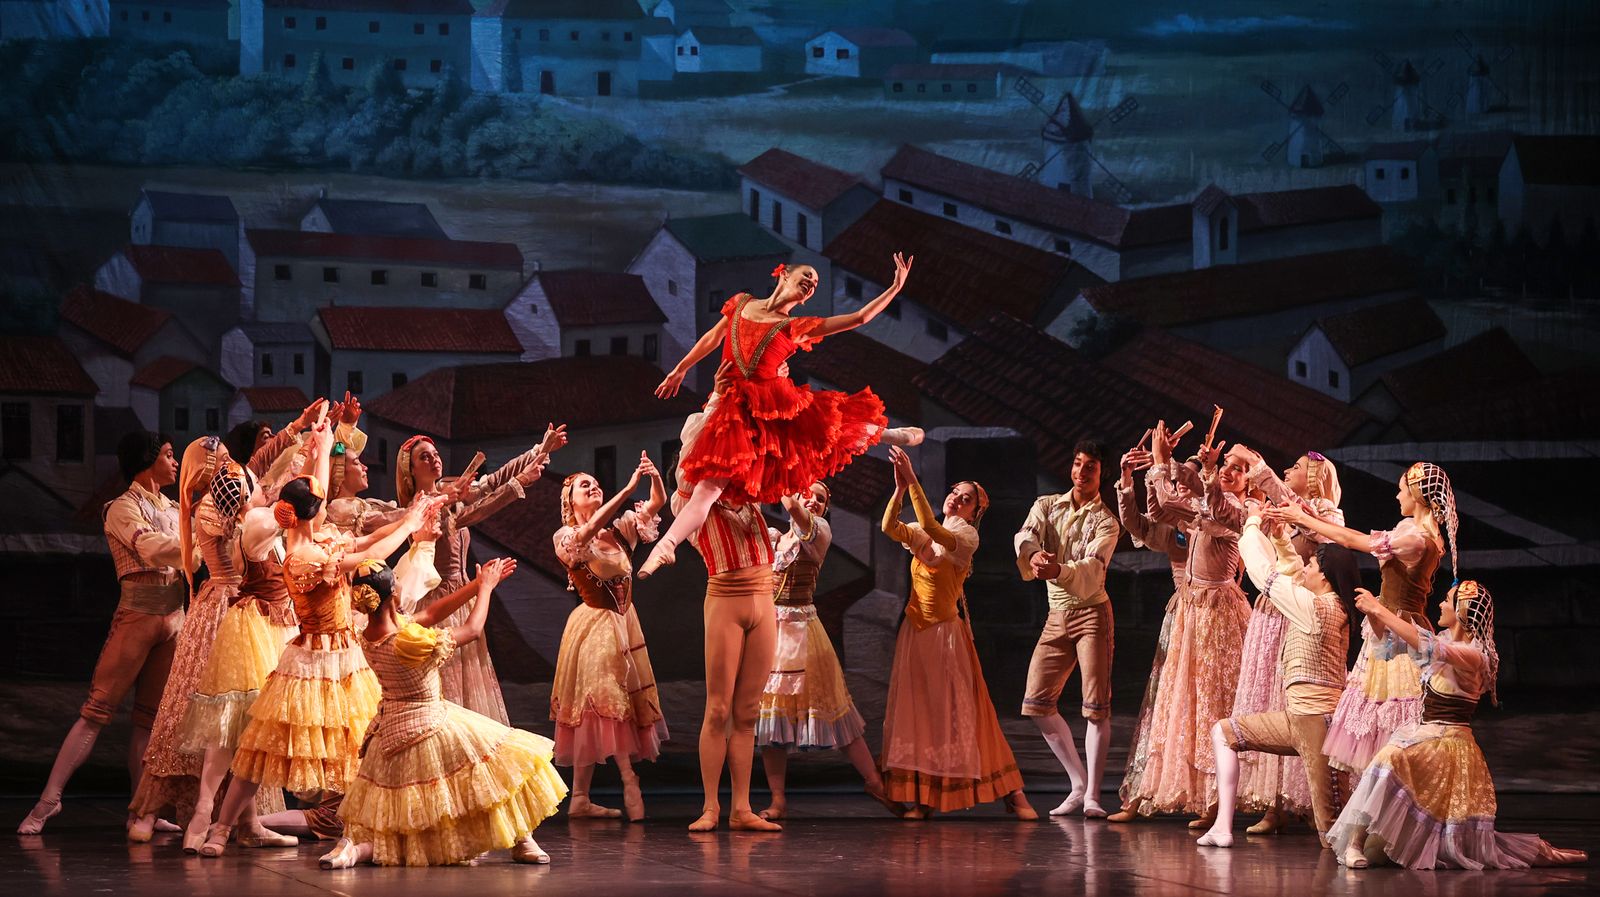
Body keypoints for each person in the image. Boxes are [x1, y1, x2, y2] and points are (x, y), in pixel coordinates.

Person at [198, 442, 443, 858]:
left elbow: (369, 539)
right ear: (311, 510)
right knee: (264, 749)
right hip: (311, 662)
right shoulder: (302, 557)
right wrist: (411, 524)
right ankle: (221, 828)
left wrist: (408, 518)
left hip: (344, 659)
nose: (327, 499)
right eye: (321, 496)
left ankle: (366, 826)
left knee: (360, 745)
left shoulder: (323, 538)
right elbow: (372, 555)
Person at [639, 258, 923, 579]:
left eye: (814, 285)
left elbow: (858, 317)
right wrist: (680, 369)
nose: (811, 283)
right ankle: (667, 545)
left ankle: (890, 434)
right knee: (709, 486)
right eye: (807, 276)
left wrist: (895, 287)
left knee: (828, 424)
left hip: (774, 401)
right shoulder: (742, 303)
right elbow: (713, 337)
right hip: (733, 406)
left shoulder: (794, 327)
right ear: (784, 273)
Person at [321, 558, 568, 867]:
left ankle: (352, 851)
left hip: (392, 729)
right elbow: (473, 629)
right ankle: (522, 838)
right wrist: (487, 589)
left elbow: (432, 612)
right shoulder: (406, 641)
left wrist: (475, 585)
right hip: (428, 722)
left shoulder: (371, 631)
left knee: (408, 825)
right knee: (501, 761)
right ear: (394, 593)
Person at [1329, 581, 1586, 870]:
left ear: (1462, 610)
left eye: (1448, 600)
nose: (1441, 604)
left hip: (1450, 744)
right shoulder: (1446, 641)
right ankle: (1354, 843)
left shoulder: (1475, 655)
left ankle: (1545, 854)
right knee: (1386, 762)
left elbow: (1430, 646)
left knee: (1388, 761)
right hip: (1428, 737)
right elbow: (1389, 647)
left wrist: (1379, 608)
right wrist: (1376, 616)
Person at [19, 432, 184, 836]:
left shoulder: (174, 507)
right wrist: (198, 549)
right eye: (167, 454)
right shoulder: (122, 508)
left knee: (149, 721)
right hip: (138, 616)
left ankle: (140, 809)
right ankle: (48, 801)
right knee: (96, 712)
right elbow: (152, 548)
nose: (175, 461)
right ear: (148, 459)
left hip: (174, 619)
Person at [128, 436, 289, 848]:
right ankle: (154, 811)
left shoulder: (223, 495)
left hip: (235, 606)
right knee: (206, 711)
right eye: (226, 462)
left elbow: (258, 464)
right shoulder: (219, 506)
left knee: (241, 716)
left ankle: (245, 820)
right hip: (229, 608)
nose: (234, 467)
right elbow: (252, 493)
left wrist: (297, 431)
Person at [1269, 461, 1456, 774]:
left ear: (1418, 496)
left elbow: (1354, 541)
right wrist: (1310, 518)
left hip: (1397, 634)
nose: (1397, 497)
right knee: (1376, 722)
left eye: (1401, 490)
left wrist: (1303, 518)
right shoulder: (1422, 534)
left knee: (1390, 720)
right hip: (1389, 626)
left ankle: (1394, 797)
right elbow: (1352, 535)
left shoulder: (1416, 539)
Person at [880, 446, 1035, 821]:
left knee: (957, 715)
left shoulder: (965, 537)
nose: (957, 500)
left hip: (945, 637)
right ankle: (923, 798)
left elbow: (933, 530)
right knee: (919, 715)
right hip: (916, 634)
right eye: (955, 493)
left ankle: (1012, 793)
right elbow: (890, 527)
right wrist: (900, 489)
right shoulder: (924, 530)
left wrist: (913, 480)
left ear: (973, 512)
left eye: (966, 500)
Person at [1109, 423, 1250, 827]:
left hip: (1217, 614)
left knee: (1212, 701)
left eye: (1239, 469)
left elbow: (1207, 506)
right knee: (1174, 704)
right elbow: (1157, 513)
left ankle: (1213, 800)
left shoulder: (1240, 513)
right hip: (1190, 611)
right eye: (1228, 465)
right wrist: (1157, 468)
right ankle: (1151, 790)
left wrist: (1165, 463)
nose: (1229, 470)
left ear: (1249, 480)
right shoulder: (1204, 508)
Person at [1197, 510, 1349, 849]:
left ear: (1323, 577)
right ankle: (1223, 828)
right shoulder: (1322, 600)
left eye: (1313, 566)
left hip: (1316, 724)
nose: (1305, 568)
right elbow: (1293, 573)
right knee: (1224, 732)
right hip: (1295, 720)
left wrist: (1251, 524)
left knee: (1333, 835)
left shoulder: (1315, 607)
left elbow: (1263, 573)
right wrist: (1280, 537)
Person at [395, 424, 566, 724]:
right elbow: (475, 513)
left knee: (469, 676)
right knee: (447, 679)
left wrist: (540, 450)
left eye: (435, 454)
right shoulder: (419, 508)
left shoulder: (449, 491)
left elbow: (493, 481)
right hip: (439, 600)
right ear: (409, 471)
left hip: (462, 593)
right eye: (424, 457)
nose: (434, 459)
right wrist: (519, 484)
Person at [756, 482, 901, 820]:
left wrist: (788, 482)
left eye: (821, 499)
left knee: (835, 709)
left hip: (803, 632)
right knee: (771, 721)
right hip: (773, 633)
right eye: (810, 494)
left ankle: (873, 782)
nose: (814, 501)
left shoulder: (819, 530)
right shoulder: (780, 539)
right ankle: (778, 800)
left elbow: (794, 508)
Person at [550, 455, 668, 822]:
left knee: (609, 706)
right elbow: (585, 535)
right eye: (585, 485)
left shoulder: (621, 530)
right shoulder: (566, 536)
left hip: (624, 623)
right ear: (571, 502)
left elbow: (657, 504)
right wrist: (626, 490)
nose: (594, 487)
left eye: (596, 483)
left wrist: (653, 478)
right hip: (593, 627)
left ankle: (580, 798)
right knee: (602, 699)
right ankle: (628, 780)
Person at [1013, 440, 1120, 818]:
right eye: (1077, 464)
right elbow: (1025, 534)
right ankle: (1077, 782)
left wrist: (1058, 569)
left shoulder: (1106, 521)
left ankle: (1093, 795)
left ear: (1101, 473)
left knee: (1095, 707)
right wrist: (1034, 554)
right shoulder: (1048, 505)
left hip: (1092, 613)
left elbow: (1093, 569)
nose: (1081, 471)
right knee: (1037, 701)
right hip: (1056, 614)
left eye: (1090, 466)